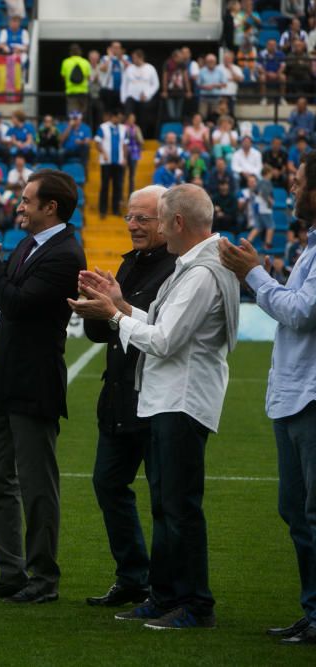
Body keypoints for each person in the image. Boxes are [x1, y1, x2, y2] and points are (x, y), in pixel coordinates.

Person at [69, 183, 240, 630]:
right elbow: (160, 325)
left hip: (182, 400)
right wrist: (120, 303)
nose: (154, 228)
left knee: (179, 507)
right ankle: (164, 596)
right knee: (167, 505)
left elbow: (164, 341)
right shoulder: (194, 267)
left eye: (159, 220)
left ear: (178, 223)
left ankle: (195, 604)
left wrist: (113, 315)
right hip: (168, 398)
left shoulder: (202, 274)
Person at [0, 170, 86, 604]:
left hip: (35, 382)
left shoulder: (67, 254)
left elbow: (15, 304)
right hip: (3, 379)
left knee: (37, 486)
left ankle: (43, 578)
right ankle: (11, 573)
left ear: (50, 207)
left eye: (26, 199)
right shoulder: (26, 245)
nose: (19, 205)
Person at [81, 185, 177, 608]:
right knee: (107, 483)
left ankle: (164, 588)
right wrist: (95, 307)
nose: (134, 226)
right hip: (119, 395)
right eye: (130, 218)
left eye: (143, 218)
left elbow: (159, 336)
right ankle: (133, 576)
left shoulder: (178, 270)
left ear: (168, 220)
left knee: (164, 498)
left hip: (157, 398)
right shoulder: (129, 264)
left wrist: (115, 310)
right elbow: (105, 331)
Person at [95, 109, 128, 218]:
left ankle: (116, 209)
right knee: (105, 186)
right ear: (113, 117)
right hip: (106, 162)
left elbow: (125, 144)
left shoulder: (123, 128)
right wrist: (103, 153)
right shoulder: (103, 127)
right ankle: (102, 210)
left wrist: (124, 157)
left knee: (118, 186)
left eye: (121, 118)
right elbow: (97, 142)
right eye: (118, 117)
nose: (119, 119)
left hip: (118, 162)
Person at [61, 44, 91, 118]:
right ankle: (81, 128)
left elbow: (63, 77)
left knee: (73, 115)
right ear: (80, 52)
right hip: (83, 92)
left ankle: (73, 128)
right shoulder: (85, 62)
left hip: (71, 92)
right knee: (83, 115)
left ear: (70, 52)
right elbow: (88, 78)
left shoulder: (66, 62)